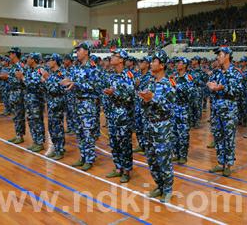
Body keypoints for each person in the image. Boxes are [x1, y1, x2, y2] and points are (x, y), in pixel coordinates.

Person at [139, 50, 176, 203]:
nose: (151, 63)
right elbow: (143, 104)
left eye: (154, 61)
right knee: (152, 159)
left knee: (163, 159)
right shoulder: (150, 82)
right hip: (149, 125)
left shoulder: (169, 83)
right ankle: (159, 186)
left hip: (162, 126)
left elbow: (169, 106)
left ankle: (167, 189)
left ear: (161, 66)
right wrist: (144, 99)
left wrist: (153, 99)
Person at [61, 41, 100, 172]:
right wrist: (66, 82)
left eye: (79, 50)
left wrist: (76, 84)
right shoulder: (76, 67)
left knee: (88, 133)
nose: (77, 52)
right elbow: (71, 81)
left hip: (88, 104)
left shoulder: (93, 68)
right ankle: (83, 157)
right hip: (76, 104)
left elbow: (95, 87)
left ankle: (89, 159)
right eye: (76, 50)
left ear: (86, 52)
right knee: (79, 132)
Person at [207, 47, 243, 176]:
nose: (218, 57)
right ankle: (220, 162)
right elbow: (211, 86)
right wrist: (211, 87)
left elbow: (239, 91)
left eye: (220, 55)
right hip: (217, 109)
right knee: (218, 136)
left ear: (227, 55)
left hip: (229, 110)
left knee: (229, 137)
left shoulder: (236, 73)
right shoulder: (216, 73)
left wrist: (221, 87)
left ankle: (228, 164)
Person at [104, 49, 135, 183]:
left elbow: (130, 96)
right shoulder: (111, 75)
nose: (111, 58)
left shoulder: (128, 75)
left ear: (121, 59)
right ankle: (118, 168)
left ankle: (127, 170)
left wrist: (114, 93)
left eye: (114, 56)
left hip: (124, 115)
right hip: (112, 114)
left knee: (125, 144)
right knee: (114, 143)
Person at [17, 52, 46, 152]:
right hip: (29, 100)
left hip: (36, 101)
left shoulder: (39, 70)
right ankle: (35, 141)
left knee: (37, 121)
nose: (27, 60)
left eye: (29, 58)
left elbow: (32, 84)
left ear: (33, 60)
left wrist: (22, 78)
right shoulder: (30, 70)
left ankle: (40, 142)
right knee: (31, 121)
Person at [42, 54, 67, 160]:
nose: (48, 62)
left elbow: (57, 89)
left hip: (58, 103)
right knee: (52, 127)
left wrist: (47, 79)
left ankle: (60, 150)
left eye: (50, 60)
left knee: (57, 127)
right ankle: (56, 148)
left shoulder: (61, 73)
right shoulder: (52, 74)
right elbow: (47, 89)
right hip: (51, 103)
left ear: (55, 61)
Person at [0, 47, 26, 144]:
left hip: (18, 93)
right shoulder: (14, 66)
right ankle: (17, 134)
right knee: (15, 116)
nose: (9, 55)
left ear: (15, 54)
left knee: (19, 115)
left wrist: (7, 77)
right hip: (13, 93)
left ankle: (20, 136)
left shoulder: (19, 66)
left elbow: (20, 81)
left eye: (10, 53)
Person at [172, 57, 194, 165]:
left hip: (183, 108)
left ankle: (183, 155)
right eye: (177, 63)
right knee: (174, 133)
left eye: (180, 63)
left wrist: (177, 87)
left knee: (183, 134)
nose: (178, 65)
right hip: (174, 108)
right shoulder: (175, 77)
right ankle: (176, 154)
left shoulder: (188, 78)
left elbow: (190, 93)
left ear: (185, 65)